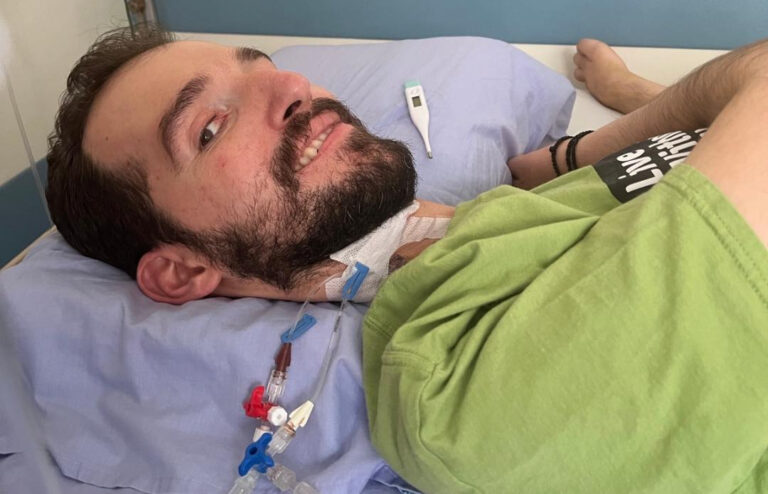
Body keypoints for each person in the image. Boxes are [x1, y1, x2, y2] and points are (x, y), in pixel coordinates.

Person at [46, 24, 768, 492]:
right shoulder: (459, 391)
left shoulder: (508, 213)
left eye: (262, 67)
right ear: (182, 270)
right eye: (209, 128)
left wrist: (573, 152)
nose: (293, 87)